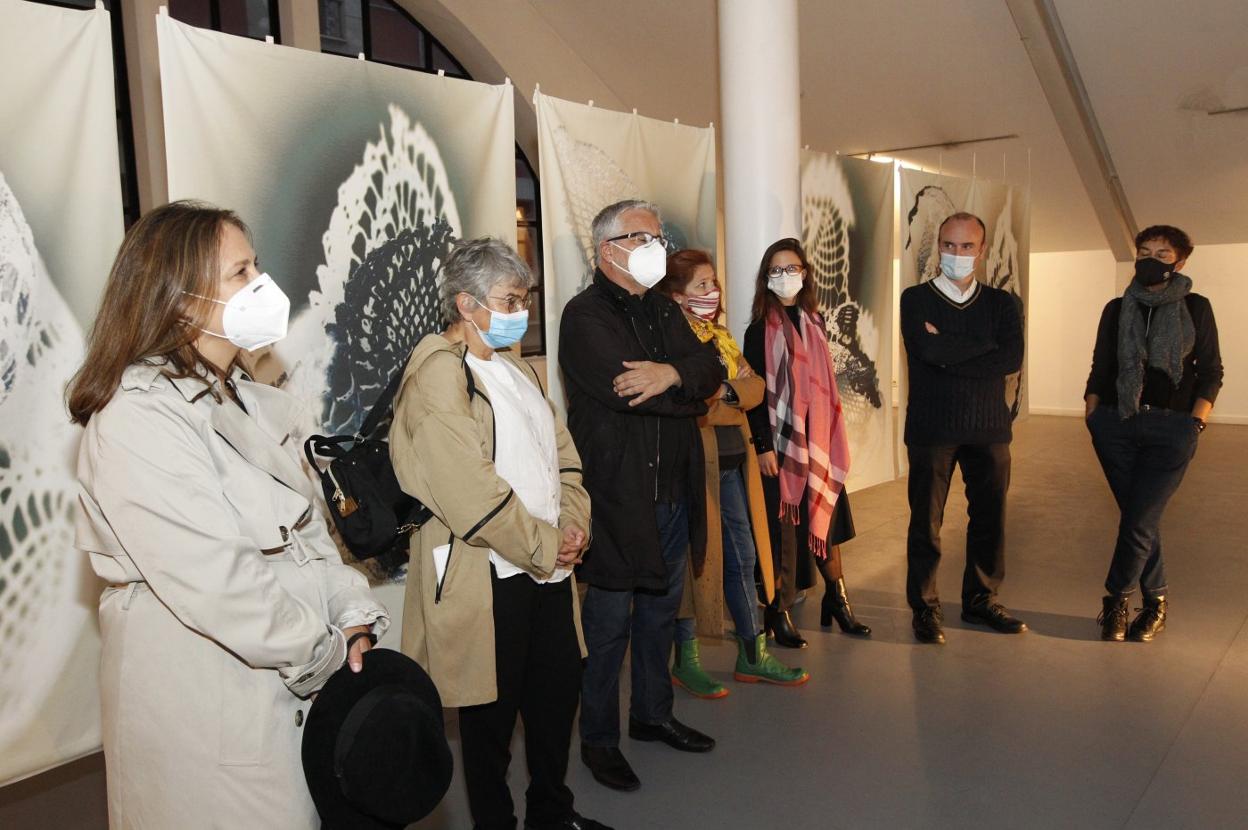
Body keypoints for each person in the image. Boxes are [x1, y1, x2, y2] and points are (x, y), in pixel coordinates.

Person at [68, 201, 390, 828]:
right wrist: (326, 656)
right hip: (206, 701)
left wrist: (352, 611)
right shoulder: (138, 416)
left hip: (277, 695)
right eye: (240, 273)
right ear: (180, 299)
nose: (262, 287)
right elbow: (220, 582)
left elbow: (308, 540)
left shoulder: (245, 401)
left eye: (256, 267)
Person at [389, 238, 608, 830]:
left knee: (555, 698)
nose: (522, 311)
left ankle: (551, 815)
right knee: (490, 722)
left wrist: (573, 524)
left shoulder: (518, 369)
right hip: (489, 574)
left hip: (549, 569)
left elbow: (563, 458)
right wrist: (543, 544)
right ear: (466, 304)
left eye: (524, 298)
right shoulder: (437, 373)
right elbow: (468, 488)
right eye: (509, 299)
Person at [560, 199, 723, 792]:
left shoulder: (662, 308)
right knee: (607, 628)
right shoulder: (583, 316)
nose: (659, 246)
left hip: (673, 488)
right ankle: (599, 741)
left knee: (659, 613)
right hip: (618, 496)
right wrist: (675, 383)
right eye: (646, 238)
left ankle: (652, 715)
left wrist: (673, 374)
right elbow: (626, 391)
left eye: (660, 236)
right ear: (610, 251)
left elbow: (710, 368)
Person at [656, 249, 809, 697]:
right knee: (690, 564)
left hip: (730, 466)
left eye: (713, 283)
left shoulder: (719, 336)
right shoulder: (670, 341)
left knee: (743, 557)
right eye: (701, 286)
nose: (712, 292)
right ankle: (686, 660)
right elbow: (698, 400)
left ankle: (752, 653)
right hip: (690, 467)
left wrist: (722, 390)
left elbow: (754, 386)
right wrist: (727, 394)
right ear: (676, 296)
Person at [1084, 225, 1222, 642]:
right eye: (1144, 251)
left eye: (1162, 254)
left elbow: (1211, 372)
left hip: (1172, 427)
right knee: (1138, 518)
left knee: (1140, 517)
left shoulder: (1196, 307)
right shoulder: (1116, 307)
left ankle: (1116, 601)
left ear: (1180, 262)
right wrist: (1094, 410)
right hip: (1117, 424)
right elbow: (1102, 365)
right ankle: (1157, 601)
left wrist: (1195, 421)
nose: (1151, 260)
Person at [899, 212, 1026, 645]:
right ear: (939, 247)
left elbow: (1009, 359)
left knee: (990, 519)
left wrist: (947, 350)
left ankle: (981, 599)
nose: (957, 254)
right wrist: (978, 348)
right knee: (926, 523)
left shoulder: (1003, 304)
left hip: (989, 429)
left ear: (982, 250)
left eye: (967, 247)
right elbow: (925, 348)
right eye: (949, 246)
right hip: (932, 429)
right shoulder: (915, 299)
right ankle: (925, 607)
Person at [744, 237, 871, 650]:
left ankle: (837, 599)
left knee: (827, 524)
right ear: (766, 278)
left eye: (792, 268)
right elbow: (756, 395)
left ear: (805, 273)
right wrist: (763, 445)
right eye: (776, 270)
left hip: (817, 445)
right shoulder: (758, 330)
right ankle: (776, 611)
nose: (785, 277)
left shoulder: (815, 323)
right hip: (782, 449)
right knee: (782, 537)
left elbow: (825, 390)